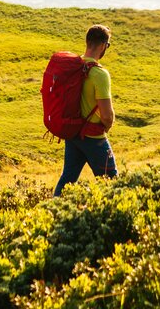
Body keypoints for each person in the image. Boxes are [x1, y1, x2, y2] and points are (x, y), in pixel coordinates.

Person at [54, 24, 118, 196]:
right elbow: (107, 115)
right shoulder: (100, 74)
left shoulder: (74, 66)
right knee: (112, 181)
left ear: (87, 42)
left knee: (67, 180)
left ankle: (51, 208)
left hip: (73, 133)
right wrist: (107, 126)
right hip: (93, 137)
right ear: (103, 45)